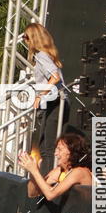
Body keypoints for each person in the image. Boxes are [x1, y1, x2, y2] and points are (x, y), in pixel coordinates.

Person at [24, 24, 67, 174]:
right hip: (54, 102)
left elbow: (55, 77)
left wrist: (40, 95)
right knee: (45, 146)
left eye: (26, 37)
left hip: (55, 102)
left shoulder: (42, 56)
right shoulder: (44, 56)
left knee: (48, 147)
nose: (25, 41)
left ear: (33, 38)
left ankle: (46, 182)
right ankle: (46, 178)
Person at [19, 133, 92, 200]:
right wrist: (32, 173)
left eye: (59, 149)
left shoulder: (80, 172)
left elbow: (50, 195)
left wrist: (35, 171)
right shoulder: (59, 171)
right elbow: (32, 193)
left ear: (71, 151)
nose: (55, 153)